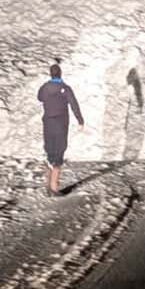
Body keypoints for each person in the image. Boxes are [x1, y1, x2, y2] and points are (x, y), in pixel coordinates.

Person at [37, 62, 85, 195]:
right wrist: (80, 120)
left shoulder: (45, 87)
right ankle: (54, 187)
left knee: (50, 152)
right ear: (60, 73)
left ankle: (48, 186)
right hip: (61, 124)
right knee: (59, 153)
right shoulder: (65, 88)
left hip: (47, 122)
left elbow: (39, 98)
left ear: (50, 74)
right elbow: (74, 104)